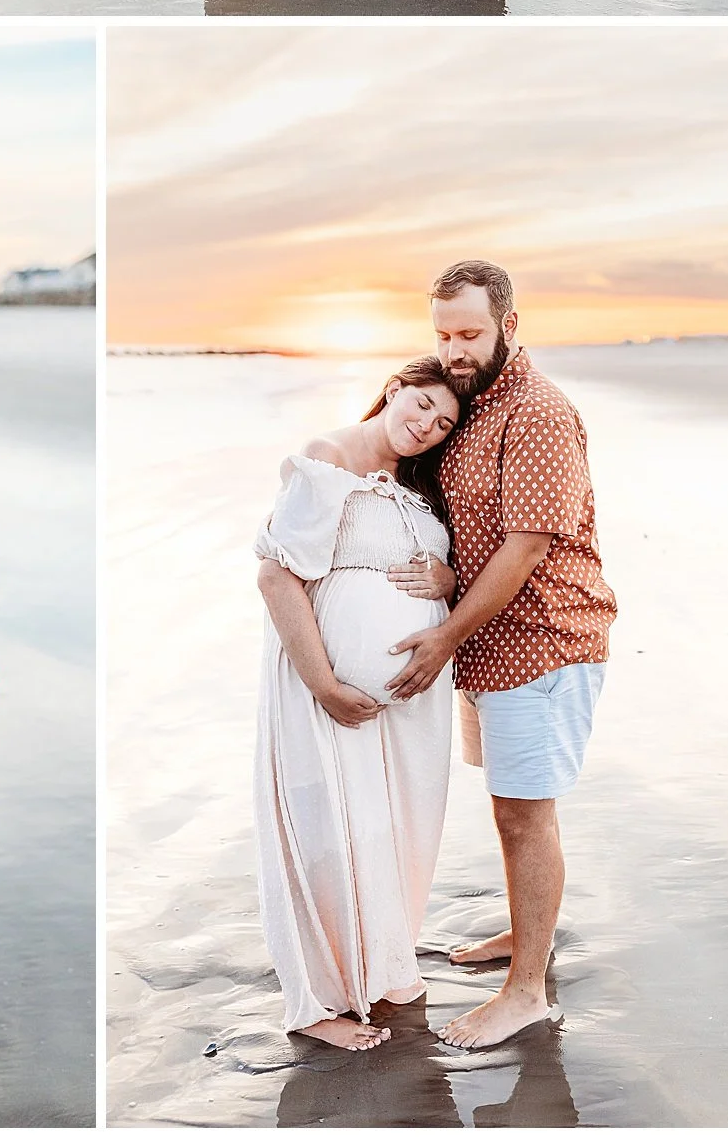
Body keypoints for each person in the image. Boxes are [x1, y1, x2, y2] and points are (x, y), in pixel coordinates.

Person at [386, 259, 617, 1050]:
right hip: (492, 647)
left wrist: (444, 634)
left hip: (544, 641)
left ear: (508, 326)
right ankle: (529, 937)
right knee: (511, 804)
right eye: (442, 333)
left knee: (526, 811)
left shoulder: (539, 410)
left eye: (469, 332)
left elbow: (523, 549)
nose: (453, 348)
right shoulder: (476, 401)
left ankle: (526, 992)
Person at [253, 358, 464, 1049]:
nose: (427, 426)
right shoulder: (327, 457)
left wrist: (448, 579)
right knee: (330, 828)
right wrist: (324, 684)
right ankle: (317, 1002)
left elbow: (446, 572)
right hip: (327, 691)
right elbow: (276, 575)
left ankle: (380, 967)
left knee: (397, 831)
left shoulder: (420, 484)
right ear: (395, 388)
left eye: (444, 423)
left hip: (411, 703)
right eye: (422, 404)